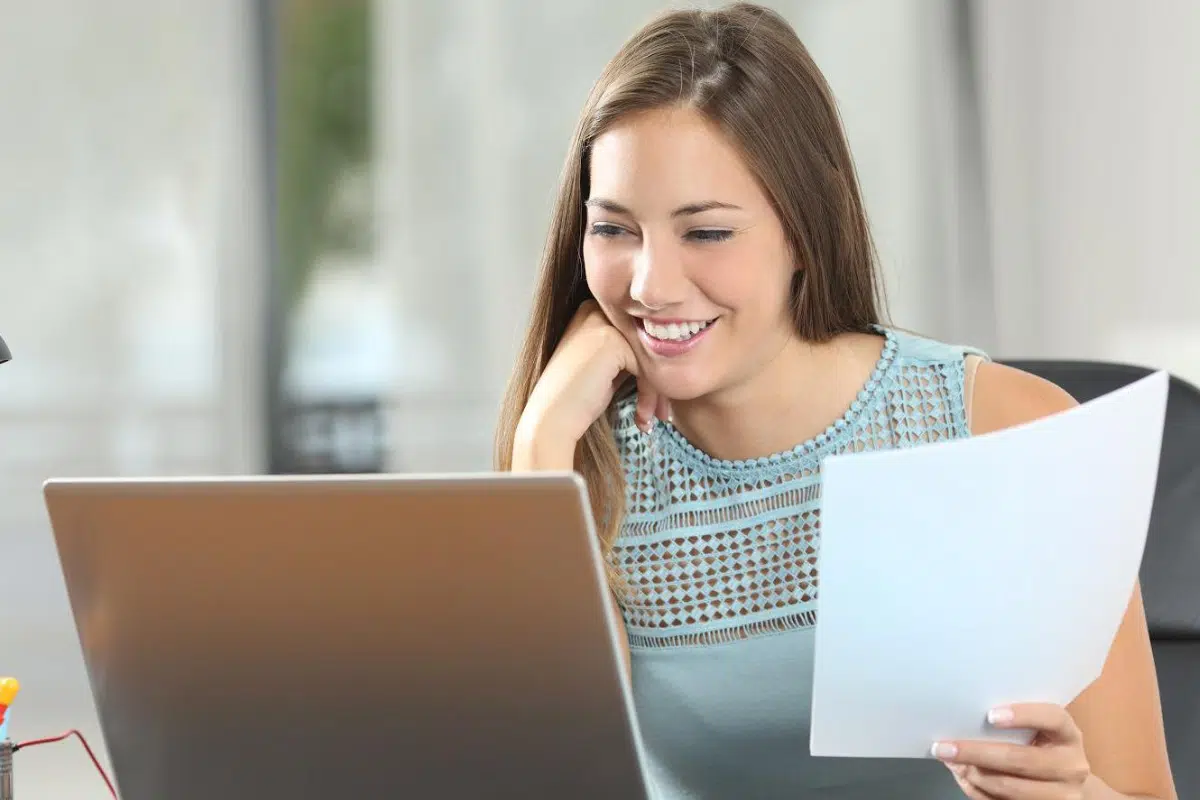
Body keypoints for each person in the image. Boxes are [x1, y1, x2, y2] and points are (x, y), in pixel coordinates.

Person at [495, 4, 1178, 798]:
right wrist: (541, 451)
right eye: (615, 230)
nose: (650, 285)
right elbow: (564, 779)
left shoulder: (1010, 432)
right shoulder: (584, 455)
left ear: (802, 230)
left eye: (707, 233)